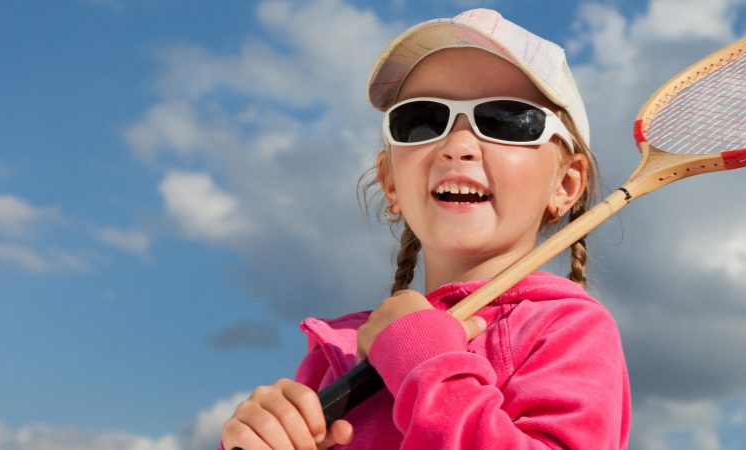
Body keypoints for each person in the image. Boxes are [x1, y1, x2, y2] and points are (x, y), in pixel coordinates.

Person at [220, 8, 630, 450]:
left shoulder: (565, 332)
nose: (457, 146)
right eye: (422, 119)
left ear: (565, 185)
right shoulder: (338, 352)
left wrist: (420, 358)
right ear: (391, 182)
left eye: (506, 120)